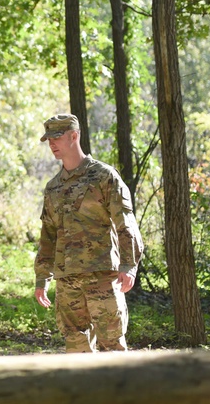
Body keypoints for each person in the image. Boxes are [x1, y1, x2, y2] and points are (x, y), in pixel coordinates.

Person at [34, 113, 144, 352]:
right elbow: (48, 235)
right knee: (75, 347)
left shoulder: (103, 176)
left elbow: (125, 223)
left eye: (57, 137)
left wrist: (129, 265)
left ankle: (120, 390)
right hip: (67, 279)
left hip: (103, 275)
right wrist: (42, 278)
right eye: (48, 139)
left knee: (112, 347)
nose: (52, 144)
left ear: (74, 136)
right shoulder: (53, 187)